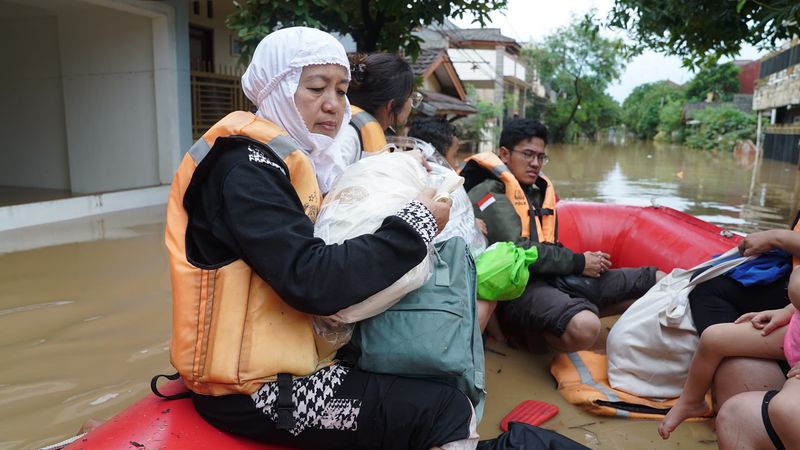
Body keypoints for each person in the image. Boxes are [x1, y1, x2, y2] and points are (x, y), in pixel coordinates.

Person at [163, 27, 478, 449]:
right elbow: (313, 281)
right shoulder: (246, 170)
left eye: (342, 89)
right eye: (315, 88)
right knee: (448, 409)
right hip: (251, 393)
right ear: (278, 87)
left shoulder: (288, 159)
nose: (333, 104)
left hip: (287, 365)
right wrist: (417, 222)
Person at [460, 118, 658, 352]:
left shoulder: (534, 191)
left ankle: (571, 310)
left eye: (541, 157)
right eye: (528, 154)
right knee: (586, 327)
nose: (535, 163)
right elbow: (518, 251)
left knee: (657, 281)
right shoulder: (488, 193)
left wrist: (581, 261)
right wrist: (578, 262)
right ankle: (533, 337)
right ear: (504, 154)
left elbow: (546, 243)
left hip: (553, 277)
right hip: (519, 290)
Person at [658, 265, 800, 448]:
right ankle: (691, 400)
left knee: (785, 408)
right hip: (795, 332)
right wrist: (786, 311)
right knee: (713, 337)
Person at [315, 52, 420, 194]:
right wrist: (400, 164)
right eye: (411, 97)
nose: (411, 104)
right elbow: (327, 187)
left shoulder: (361, 130)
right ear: (392, 105)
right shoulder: (348, 133)